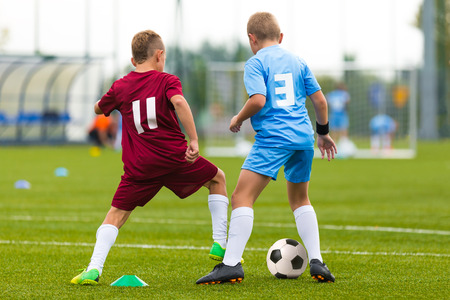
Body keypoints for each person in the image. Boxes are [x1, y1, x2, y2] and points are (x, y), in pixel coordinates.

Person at [71, 30, 229, 285]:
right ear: (160, 55)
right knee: (217, 179)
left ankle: (93, 268)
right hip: (173, 157)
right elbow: (179, 102)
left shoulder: (121, 86)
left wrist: (108, 98)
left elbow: (99, 108)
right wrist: (194, 140)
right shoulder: (167, 80)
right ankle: (219, 244)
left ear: (133, 61)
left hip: (139, 165)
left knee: (116, 214)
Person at [196, 12, 337, 285]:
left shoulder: (255, 63)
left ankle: (231, 264)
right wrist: (323, 134)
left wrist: (238, 118)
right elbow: (320, 102)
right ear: (281, 37)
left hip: (273, 138)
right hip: (303, 139)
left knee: (241, 197)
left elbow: (259, 100)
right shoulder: (298, 61)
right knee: (300, 200)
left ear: (252, 39)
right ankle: (317, 260)